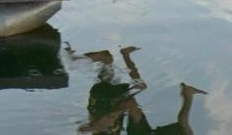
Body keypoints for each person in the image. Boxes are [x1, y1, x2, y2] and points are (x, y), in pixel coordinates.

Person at [76, 46, 206, 135]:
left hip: (103, 101)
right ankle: (121, 56)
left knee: (137, 86)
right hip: (112, 103)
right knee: (107, 61)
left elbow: (83, 128)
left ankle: (73, 60)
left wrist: (106, 119)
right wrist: (117, 114)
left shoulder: (103, 125)